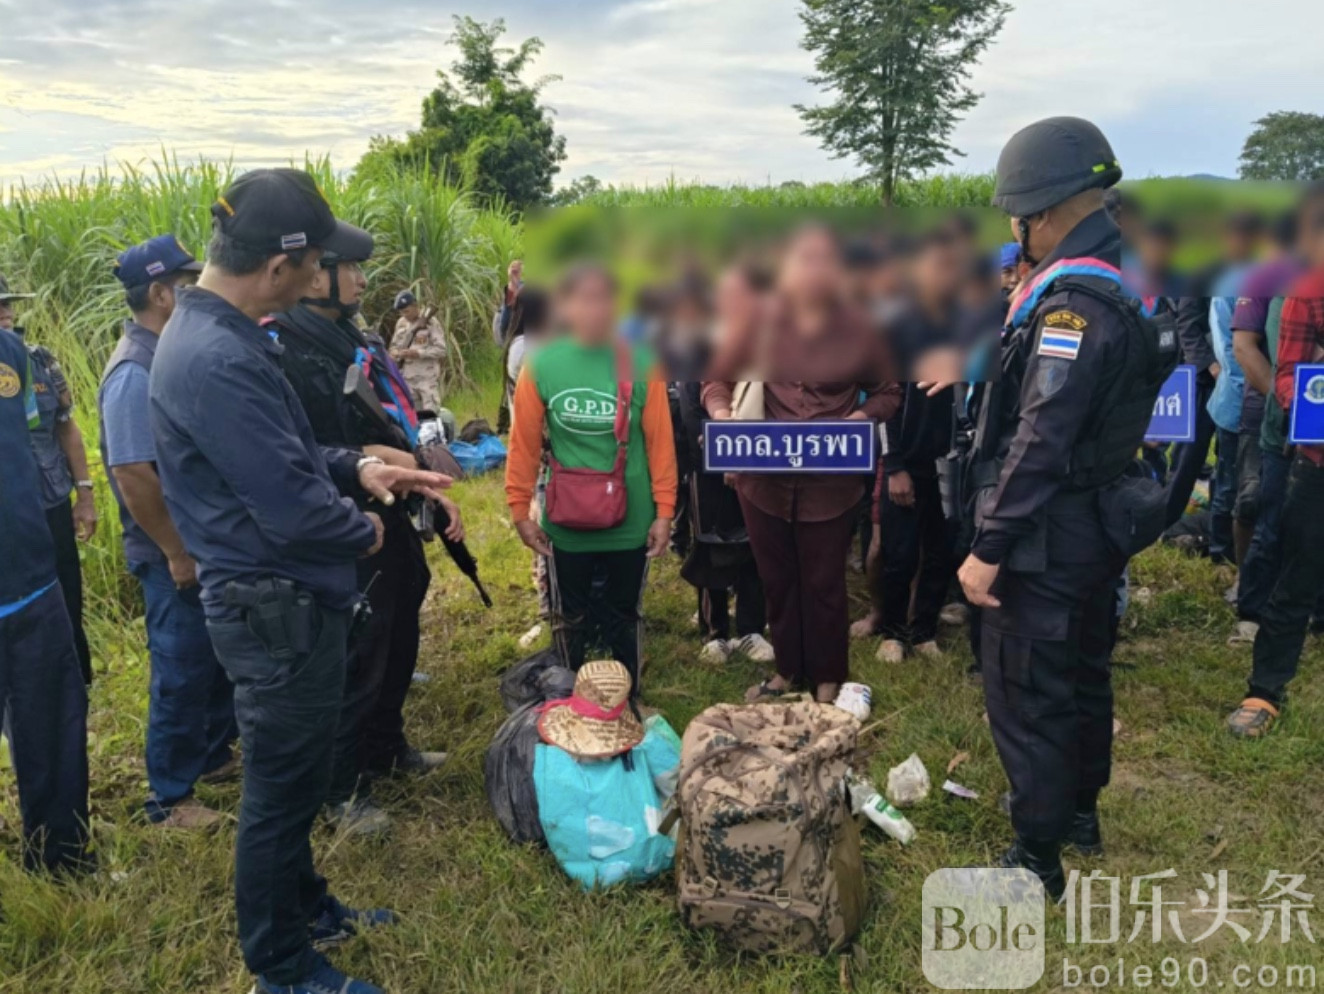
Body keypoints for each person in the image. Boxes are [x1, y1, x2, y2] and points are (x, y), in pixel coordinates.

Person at [149, 167, 450, 994]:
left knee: (297, 772)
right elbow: (287, 504)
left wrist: (357, 466)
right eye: (316, 262)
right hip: (272, 605)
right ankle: (281, 966)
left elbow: (285, 451)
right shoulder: (217, 356)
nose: (322, 276)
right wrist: (364, 527)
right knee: (280, 793)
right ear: (281, 265)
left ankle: (306, 905)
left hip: (282, 599)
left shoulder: (222, 332)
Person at [963, 117, 1177, 899]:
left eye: (1016, 218)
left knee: (1029, 691)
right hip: (1096, 518)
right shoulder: (1127, 277)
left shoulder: (1072, 308)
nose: (1014, 232)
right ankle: (1079, 814)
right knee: (1084, 672)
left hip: (1048, 531)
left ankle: (1037, 856)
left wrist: (989, 546)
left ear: (1043, 213)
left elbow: (1042, 438)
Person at [270, 229, 456, 837]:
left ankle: (386, 745)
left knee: (400, 625)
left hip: (387, 503)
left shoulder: (350, 335)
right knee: (358, 648)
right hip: (340, 516)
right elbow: (296, 449)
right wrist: (365, 459)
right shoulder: (284, 344)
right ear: (314, 274)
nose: (361, 280)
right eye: (349, 268)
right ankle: (342, 785)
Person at [703, 226, 901, 705]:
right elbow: (716, 381)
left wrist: (859, 417)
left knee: (824, 580)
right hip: (762, 480)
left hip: (831, 482)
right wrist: (724, 417)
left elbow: (889, 392)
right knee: (777, 577)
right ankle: (788, 670)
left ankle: (828, 674)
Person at [99, 235, 238, 829]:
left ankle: (211, 757)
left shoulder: (166, 353)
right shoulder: (135, 371)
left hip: (198, 540)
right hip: (169, 551)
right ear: (160, 295)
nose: (199, 292)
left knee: (212, 657)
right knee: (180, 670)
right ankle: (168, 800)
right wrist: (176, 552)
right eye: (186, 285)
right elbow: (132, 472)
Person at [506, 264, 678, 693]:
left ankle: (628, 698)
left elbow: (660, 443)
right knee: (571, 618)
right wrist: (520, 510)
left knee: (624, 615)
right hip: (567, 523)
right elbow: (523, 445)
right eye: (584, 299)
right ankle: (567, 701)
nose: (595, 309)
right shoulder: (542, 365)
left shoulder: (642, 362)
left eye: (605, 299)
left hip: (631, 519)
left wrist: (664, 512)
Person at [1227, 182, 1324, 738]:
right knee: (1297, 570)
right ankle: (1264, 690)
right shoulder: (1307, 291)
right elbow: (1287, 377)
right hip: (1316, 458)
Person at [0, 276, 90, 875]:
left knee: (53, 724)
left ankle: (62, 859)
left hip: (28, 574)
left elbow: (36, 441)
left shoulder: (12, 355)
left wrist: (80, 494)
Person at [855, 228, 959, 664]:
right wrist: (894, 464)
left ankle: (924, 631)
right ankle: (893, 632)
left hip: (952, 465)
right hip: (906, 462)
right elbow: (886, 404)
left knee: (940, 552)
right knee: (897, 553)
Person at [3, 290, 96, 685]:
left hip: (51, 502)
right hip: (11, 515)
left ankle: (77, 685)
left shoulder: (39, 361)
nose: (5, 312)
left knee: (66, 597)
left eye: (7, 303)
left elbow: (66, 427)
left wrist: (85, 494)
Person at [1227, 212, 1306, 645]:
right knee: (1266, 510)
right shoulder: (1271, 278)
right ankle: (1253, 609)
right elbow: (1244, 347)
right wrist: (1289, 403)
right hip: (1278, 417)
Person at [389, 289, 447, 415]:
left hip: (426, 379)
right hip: (407, 379)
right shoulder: (401, 323)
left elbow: (441, 350)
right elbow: (393, 347)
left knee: (430, 416)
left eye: (407, 311)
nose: (404, 315)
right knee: (412, 417)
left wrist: (418, 353)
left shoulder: (430, 322)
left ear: (415, 306)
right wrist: (396, 354)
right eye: (401, 312)